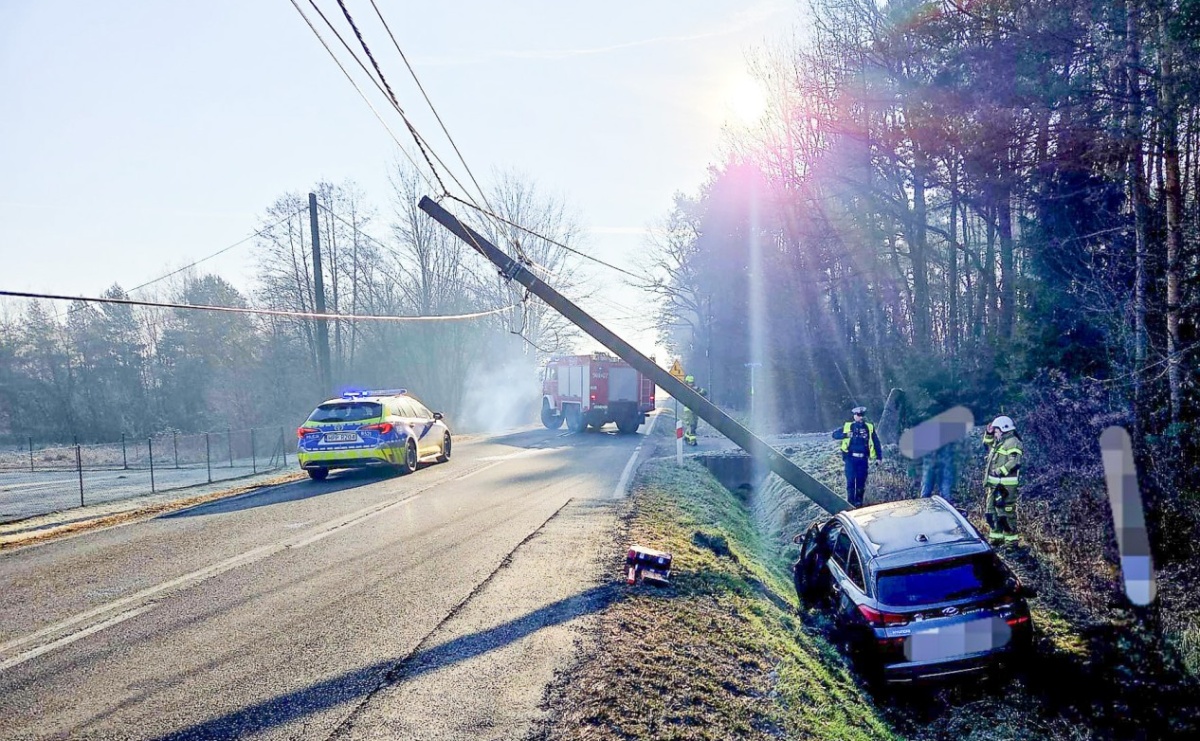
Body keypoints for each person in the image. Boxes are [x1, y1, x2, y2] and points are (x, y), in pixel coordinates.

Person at [982, 415, 1023, 544]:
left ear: (1004, 429)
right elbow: (987, 445)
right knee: (991, 511)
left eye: (996, 430)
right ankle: (996, 537)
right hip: (994, 485)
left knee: (1006, 513)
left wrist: (1000, 471)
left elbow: (1014, 461)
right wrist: (988, 433)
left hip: (1006, 486)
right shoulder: (999, 441)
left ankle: (1011, 542)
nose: (995, 433)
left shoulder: (1013, 442)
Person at [832, 406, 883, 507]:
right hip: (850, 459)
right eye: (858, 415)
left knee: (861, 482)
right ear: (854, 416)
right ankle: (850, 504)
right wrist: (846, 435)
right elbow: (834, 435)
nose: (860, 417)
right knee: (850, 482)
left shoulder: (869, 427)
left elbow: (876, 442)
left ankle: (859, 504)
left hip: (863, 459)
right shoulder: (848, 426)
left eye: (862, 415)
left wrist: (879, 457)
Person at [681, 375, 706, 446]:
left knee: (694, 425)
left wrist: (700, 392)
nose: (691, 384)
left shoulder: (696, 388)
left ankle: (686, 436)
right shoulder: (684, 389)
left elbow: (704, 392)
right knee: (691, 425)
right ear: (686, 382)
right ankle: (693, 440)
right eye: (689, 383)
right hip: (688, 410)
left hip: (695, 410)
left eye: (692, 383)